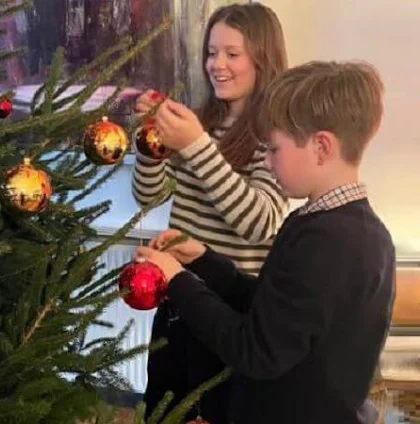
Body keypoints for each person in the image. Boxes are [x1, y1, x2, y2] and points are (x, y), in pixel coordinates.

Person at [137, 60, 395, 424]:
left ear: (321, 147)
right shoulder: (336, 226)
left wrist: (178, 282)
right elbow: (271, 310)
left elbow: (253, 349)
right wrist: (205, 261)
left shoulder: (333, 242)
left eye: (274, 150)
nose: (269, 162)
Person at [131, 4, 289, 422]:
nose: (217, 65)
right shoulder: (198, 122)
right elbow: (148, 196)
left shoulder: (274, 135)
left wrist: (197, 145)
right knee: (164, 408)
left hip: (229, 316)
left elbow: (260, 222)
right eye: (211, 52)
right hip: (177, 302)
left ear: (263, 58)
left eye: (232, 54)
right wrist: (151, 143)